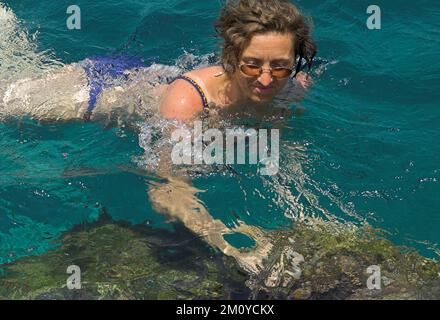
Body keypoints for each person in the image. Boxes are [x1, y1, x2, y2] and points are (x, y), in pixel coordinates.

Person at [0, 0, 316, 274]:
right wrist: (230, 243)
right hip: (99, 91)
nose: (265, 78)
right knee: (7, 100)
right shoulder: (187, 105)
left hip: (153, 78)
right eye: (251, 65)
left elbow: (280, 142)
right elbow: (167, 190)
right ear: (231, 59)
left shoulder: (292, 86)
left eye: (279, 67)